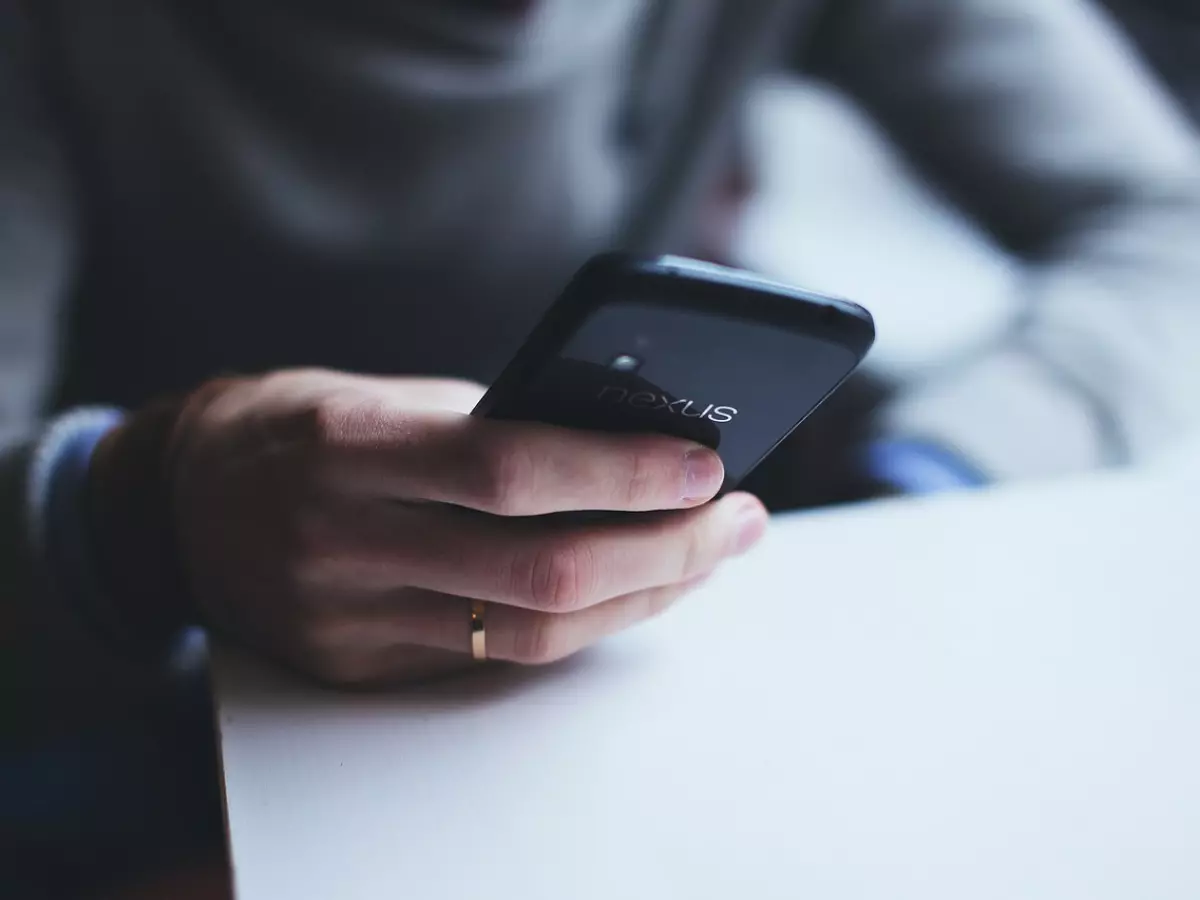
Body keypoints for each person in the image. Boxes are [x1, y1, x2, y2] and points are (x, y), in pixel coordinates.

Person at [3, 0, 1200, 894]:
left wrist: (931, 483)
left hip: (689, 591)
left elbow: (1169, 218)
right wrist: (134, 507)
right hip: (160, 652)